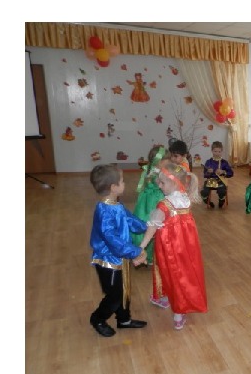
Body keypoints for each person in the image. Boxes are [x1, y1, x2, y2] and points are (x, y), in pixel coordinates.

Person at [135, 160, 207, 331]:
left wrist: (142, 246)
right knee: (182, 273)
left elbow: (152, 227)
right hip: (187, 246)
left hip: (169, 247)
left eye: (162, 182)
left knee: (170, 273)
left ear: (174, 183)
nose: (159, 186)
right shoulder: (185, 199)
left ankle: (178, 313)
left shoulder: (165, 205)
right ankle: (164, 297)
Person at [88, 164, 149, 337]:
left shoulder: (116, 205)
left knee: (125, 290)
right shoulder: (104, 211)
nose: (124, 183)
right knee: (115, 295)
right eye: (122, 181)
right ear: (113, 187)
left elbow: (130, 220)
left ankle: (124, 319)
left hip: (120, 258)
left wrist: (148, 226)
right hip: (108, 261)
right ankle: (98, 319)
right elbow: (112, 239)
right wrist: (136, 251)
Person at [132, 144, 168, 268]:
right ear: (160, 161)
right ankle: (149, 255)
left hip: (146, 199)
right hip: (155, 200)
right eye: (166, 160)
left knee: (148, 223)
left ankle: (147, 254)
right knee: (153, 224)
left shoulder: (150, 169)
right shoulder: (156, 172)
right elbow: (159, 186)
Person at [201, 141, 234, 208]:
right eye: (215, 151)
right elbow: (205, 175)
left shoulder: (224, 162)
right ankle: (208, 202)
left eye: (219, 151)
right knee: (204, 192)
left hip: (220, 181)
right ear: (212, 151)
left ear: (222, 151)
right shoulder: (208, 162)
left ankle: (221, 201)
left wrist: (223, 172)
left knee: (222, 190)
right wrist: (208, 172)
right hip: (211, 181)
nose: (217, 153)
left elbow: (231, 173)